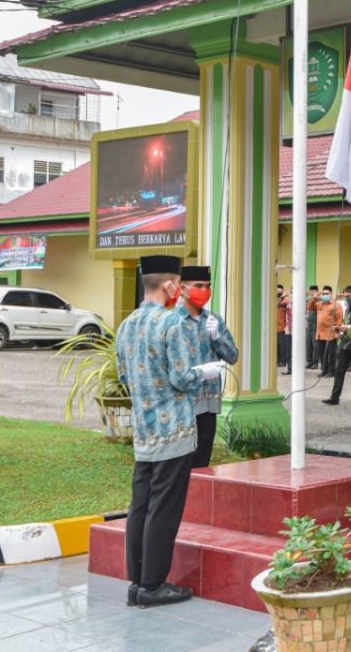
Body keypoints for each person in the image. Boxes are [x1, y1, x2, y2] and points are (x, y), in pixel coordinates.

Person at [116, 255, 224, 608]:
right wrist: (205, 372)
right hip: (175, 431)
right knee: (164, 509)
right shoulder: (170, 324)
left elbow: (122, 376)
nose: (180, 290)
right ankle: (153, 585)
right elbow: (181, 377)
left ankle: (137, 582)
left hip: (144, 431)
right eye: (178, 283)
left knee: (140, 506)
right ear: (168, 286)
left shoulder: (127, 324)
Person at [175, 265, 238, 469]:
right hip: (181, 401)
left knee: (202, 460)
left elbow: (232, 356)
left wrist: (217, 337)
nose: (204, 290)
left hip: (208, 403)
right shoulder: (171, 320)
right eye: (198, 285)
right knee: (180, 462)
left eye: (208, 286)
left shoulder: (213, 319)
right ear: (183, 288)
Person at [315, 288, 344, 376]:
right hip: (320, 333)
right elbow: (310, 305)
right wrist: (317, 296)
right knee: (321, 353)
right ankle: (324, 370)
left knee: (331, 353)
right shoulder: (319, 304)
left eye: (327, 293)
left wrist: (337, 331)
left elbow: (339, 319)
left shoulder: (336, 305)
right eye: (323, 293)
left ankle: (332, 371)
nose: (325, 295)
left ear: (331, 294)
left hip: (331, 333)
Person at [275, 284, 291, 375]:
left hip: (283, 326)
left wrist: (281, 298)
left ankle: (282, 361)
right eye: (277, 291)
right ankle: (277, 361)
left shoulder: (286, 300)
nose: (278, 292)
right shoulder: (275, 300)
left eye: (280, 291)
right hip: (275, 327)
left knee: (283, 346)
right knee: (276, 346)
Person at [304, 285, 320, 365]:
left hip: (315, 325)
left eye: (314, 291)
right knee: (308, 345)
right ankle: (309, 361)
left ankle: (315, 362)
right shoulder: (307, 301)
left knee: (315, 345)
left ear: (317, 292)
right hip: (308, 325)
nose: (312, 293)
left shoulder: (319, 300)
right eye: (311, 291)